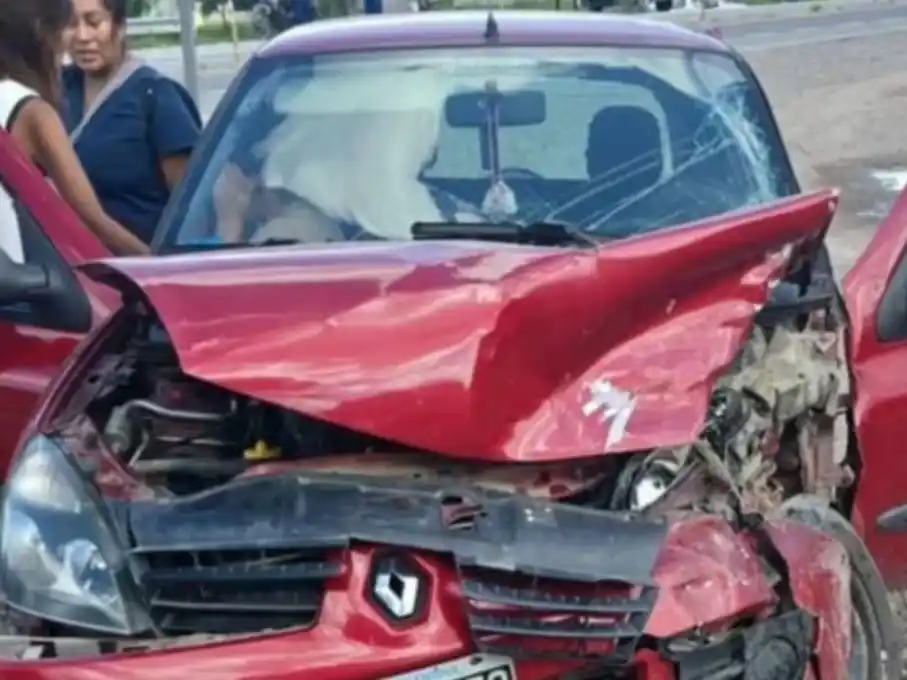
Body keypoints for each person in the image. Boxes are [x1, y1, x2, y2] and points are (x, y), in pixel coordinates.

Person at [0, 0, 148, 260]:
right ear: (41, 34)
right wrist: (154, 264)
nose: (74, 38)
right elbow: (90, 219)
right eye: (66, 27)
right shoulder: (33, 113)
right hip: (20, 280)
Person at [62, 0, 202, 246]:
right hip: (66, 264)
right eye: (71, 24)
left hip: (136, 264)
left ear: (121, 26)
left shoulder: (155, 96)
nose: (83, 36)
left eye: (94, 22)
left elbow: (192, 205)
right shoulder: (55, 90)